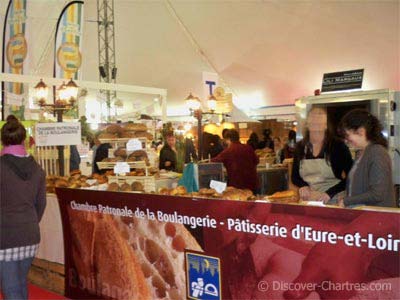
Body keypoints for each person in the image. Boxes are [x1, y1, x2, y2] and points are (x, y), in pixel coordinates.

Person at [0, 115, 46, 299]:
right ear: (24, 140)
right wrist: (28, 220)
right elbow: (41, 204)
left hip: (4, 235)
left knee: (11, 289)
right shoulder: (37, 169)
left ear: (3, 140)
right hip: (30, 234)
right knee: (19, 285)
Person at [292, 107, 353, 202]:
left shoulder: (338, 146)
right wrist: (303, 186)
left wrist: (329, 193)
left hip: (333, 198)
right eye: (313, 122)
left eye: (320, 123)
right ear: (307, 124)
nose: (316, 125)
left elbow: (351, 176)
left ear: (325, 126)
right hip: (309, 198)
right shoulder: (300, 147)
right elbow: (295, 177)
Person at [336, 109, 395, 207]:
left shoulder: (377, 153)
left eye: (347, 136)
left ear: (361, 132)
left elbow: (378, 194)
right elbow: (359, 187)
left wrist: (347, 201)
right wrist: (346, 195)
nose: (346, 141)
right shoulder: (360, 153)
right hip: (362, 213)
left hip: (377, 217)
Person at [211, 129, 259, 193]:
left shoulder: (228, 151)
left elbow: (214, 161)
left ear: (228, 139)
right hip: (252, 184)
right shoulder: (248, 148)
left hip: (237, 185)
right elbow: (256, 161)